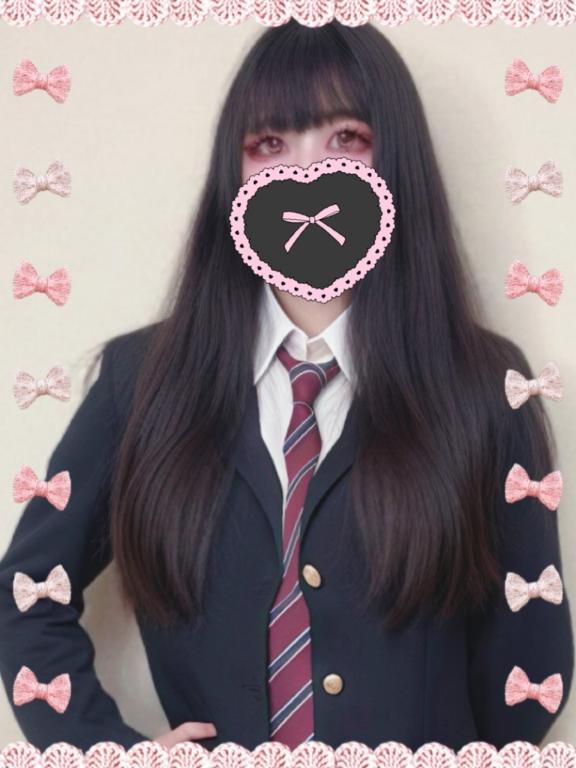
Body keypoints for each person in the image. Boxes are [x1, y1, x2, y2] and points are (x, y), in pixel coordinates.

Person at [0, 19, 573, 753]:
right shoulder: (140, 382)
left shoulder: (488, 387)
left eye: (346, 138)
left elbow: (532, 657)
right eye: (269, 144)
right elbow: (26, 594)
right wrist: (106, 748)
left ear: (395, 158)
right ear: (234, 175)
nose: (307, 173)